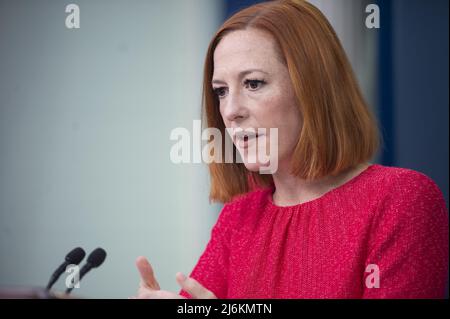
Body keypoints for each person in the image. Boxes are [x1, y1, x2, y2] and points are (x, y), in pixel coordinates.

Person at [133, 0, 448, 299]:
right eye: (221, 91)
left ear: (313, 89)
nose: (230, 110)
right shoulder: (240, 214)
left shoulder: (402, 198)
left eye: (253, 83)